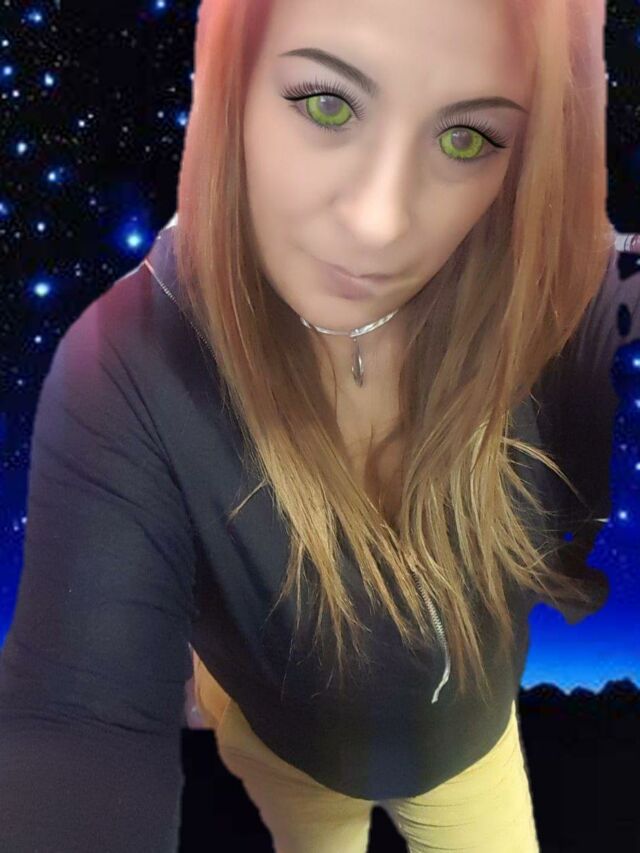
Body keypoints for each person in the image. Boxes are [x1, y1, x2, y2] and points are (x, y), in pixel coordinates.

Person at [1, 0, 635, 851]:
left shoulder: (533, 294)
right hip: (291, 756)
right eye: (327, 104)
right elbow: (76, 716)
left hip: (471, 753)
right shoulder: (128, 359)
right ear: (232, 86)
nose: (380, 220)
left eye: (465, 138)